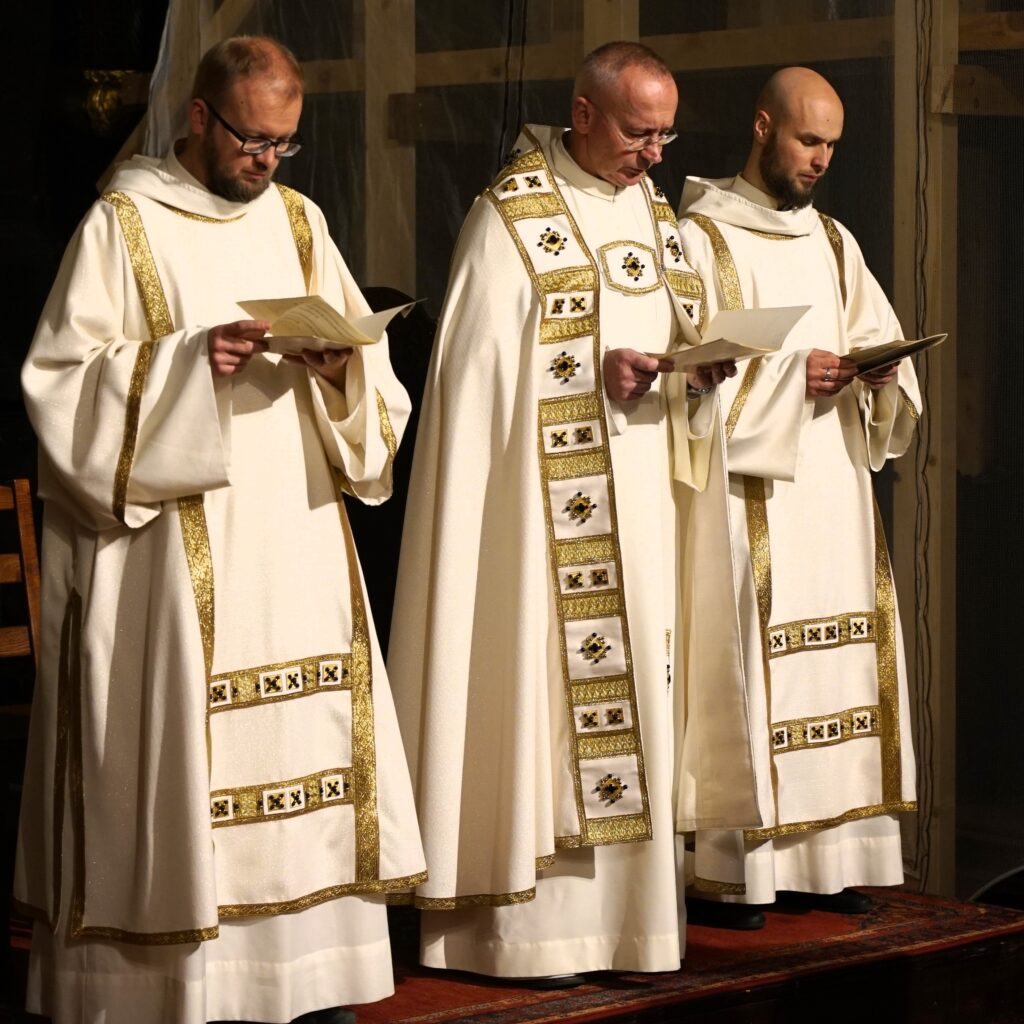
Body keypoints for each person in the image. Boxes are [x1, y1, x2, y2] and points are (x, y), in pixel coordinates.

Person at [14, 35, 425, 1024]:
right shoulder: (123, 225)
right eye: (252, 139)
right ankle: (180, 988)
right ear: (199, 116)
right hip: (172, 545)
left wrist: (340, 366)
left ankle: (312, 973)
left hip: (294, 530)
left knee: (305, 737)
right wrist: (191, 363)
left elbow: (369, 386)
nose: (267, 161)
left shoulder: (299, 221)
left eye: (285, 143)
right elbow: (59, 384)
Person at [387, 41, 760, 981]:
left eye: (666, 135)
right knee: (540, 703)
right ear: (583, 114)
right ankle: (522, 936)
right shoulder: (512, 217)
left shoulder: (655, 215)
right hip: (537, 527)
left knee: (643, 695)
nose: (655, 155)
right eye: (639, 133)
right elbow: (476, 382)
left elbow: (675, 337)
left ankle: (632, 928)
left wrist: (692, 373)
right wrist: (592, 378)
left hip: (644, 513)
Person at [674, 66, 921, 929]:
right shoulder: (698, 238)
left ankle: (829, 858)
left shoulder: (835, 241)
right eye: (808, 140)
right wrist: (788, 378)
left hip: (834, 488)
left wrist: (881, 372)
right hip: (751, 494)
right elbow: (686, 373)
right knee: (756, 668)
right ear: (762, 127)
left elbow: (873, 337)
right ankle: (739, 875)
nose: (820, 160)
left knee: (838, 668)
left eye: (832, 146)